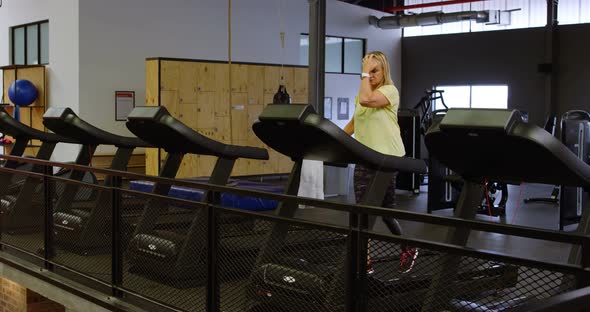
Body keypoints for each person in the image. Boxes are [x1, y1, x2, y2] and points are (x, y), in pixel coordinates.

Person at [343, 51, 418, 274]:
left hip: (386, 157)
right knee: (384, 210)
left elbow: (367, 100)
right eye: (368, 71)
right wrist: (331, 140)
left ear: (384, 71)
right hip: (366, 156)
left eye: (375, 70)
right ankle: (408, 246)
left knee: (365, 210)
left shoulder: (389, 91)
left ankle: (363, 262)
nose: (370, 75)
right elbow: (355, 123)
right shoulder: (363, 93)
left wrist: (363, 73)